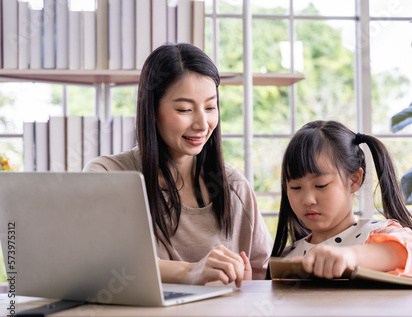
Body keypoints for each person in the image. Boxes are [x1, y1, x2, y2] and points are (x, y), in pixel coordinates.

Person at [84, 43, 273, 287]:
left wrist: (248, 287)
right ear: (151, 109)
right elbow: (96, 263)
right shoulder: (108, 175)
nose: (202, 124)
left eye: (210, 107)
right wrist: (191, 271)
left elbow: (268, 276)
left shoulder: (235, 188)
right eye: (184, 109)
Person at [271, 120, 412, 278]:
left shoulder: (374, 235)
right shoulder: (286, 257)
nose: (308, 200)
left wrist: (352, 256)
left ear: (354, 180)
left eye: (321, 185)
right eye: (295, 187)